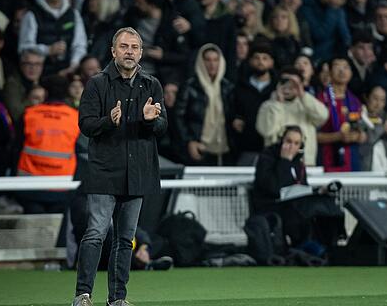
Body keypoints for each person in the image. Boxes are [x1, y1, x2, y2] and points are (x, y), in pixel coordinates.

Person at [74, 27, 167, 306]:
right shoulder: (97, 84)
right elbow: (85, 125)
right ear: (113, 51)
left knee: (126, 240)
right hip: (104, 171)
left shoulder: (152, 85)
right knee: (95, 234)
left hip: (138, 172)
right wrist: (107, 121)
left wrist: (151, 120)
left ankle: (117, 299)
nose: (130, 52)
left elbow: (163, 127)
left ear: (140, 52)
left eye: (135, 47)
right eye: (124, 47)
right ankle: (83, 294)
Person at [252, 125, 345, 251]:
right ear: (281, 141)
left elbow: (302, 186)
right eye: (288, 141)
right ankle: (306, 244)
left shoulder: (298, 162)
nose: (292, 147)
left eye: (296, 143)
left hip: (294, 202)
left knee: (327, 201)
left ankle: (333, 243)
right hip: (272, 205)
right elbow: (273, 188)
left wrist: (318, 190)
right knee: (305, 208)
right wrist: (284, 161)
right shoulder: (267, 158)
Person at [15, 75, 79, 214]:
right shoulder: (76, 117)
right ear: (67, 91)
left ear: (45, 91)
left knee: (33, 229)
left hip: (29, 185)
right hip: (62, 185)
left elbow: (15, 148)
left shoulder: (29, 114)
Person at [18, 0, 88, 77]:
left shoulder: (73, 14)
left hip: (68, 72)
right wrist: (48, 50)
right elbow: (24, 47)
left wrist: (73, 65)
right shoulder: (31, 15)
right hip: (41, 73)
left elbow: (80, 45)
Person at [176, 43, 235, 166]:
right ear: (201, 62)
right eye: (207, 60)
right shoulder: (190, 86)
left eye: (215, 60)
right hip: (198, 147)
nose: (212, 64)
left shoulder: (228, 87)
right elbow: (178, 117)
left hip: (224, 148)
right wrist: (189, 141)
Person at [256, 66, 328, 166]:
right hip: (274, 163)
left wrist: (302, 94)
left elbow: (323, 116)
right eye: (284, 83)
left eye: (293, 84)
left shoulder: (307, 104)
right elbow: (267, 131)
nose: (287, 87)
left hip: (305, 163)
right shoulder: (268, 106)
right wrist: (278, 104)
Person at [317, 57, 366, 171]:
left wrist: (360, 136)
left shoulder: (355, 101)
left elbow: (363, 130)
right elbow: (312, 135)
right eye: (337, 66)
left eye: (346, 67)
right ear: (329, 72)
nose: (342, 71)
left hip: (353, 160)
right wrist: (337, 136)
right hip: (328, 161)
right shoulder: (320, 100)